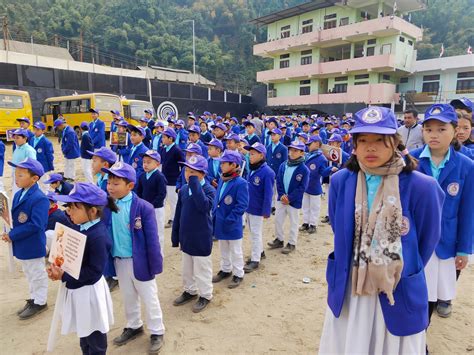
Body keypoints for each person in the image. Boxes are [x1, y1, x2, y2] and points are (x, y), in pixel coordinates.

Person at [318, 106, 445, 354]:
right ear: (354, 144)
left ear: (395, 142)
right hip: (351, 285)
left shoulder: (422, 186)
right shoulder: (341, 181)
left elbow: (427, 241)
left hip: (395, 287)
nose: (370, 147)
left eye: (379, 140)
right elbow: (339, 227)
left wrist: (389, 263)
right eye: (362, 140)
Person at [410, 104, 473, 323]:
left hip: (445, 243)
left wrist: (464, 248)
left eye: (441, 129)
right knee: (413, 293)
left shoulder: (466, 166)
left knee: (433, 295)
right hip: (414, 240)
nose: (434, 135)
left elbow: (467, 211)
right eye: (428, 129)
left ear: (455, 131)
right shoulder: (411, 161)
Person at [102, 162, 165, 353]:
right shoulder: (107, 205)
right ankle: (134, 324)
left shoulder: (143, 207)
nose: (110, 187)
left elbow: (152, 240)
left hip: (140, 261)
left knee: (149, 295)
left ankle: (157, 330)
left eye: (116, 183)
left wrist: (154, 264)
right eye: (109, 182)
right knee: (128, 295)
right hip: (119, 260)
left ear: (130, 185)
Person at [48, 183, 116, 355]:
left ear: (92, 211)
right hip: (78, 291)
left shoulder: (98, 237)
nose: (68, 212)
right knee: (84, 333)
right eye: (68, 207)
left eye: (73, 208)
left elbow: (93, 272)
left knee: (94, 335)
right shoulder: (78, 226)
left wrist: (64, 276)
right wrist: (57, 266)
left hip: (89, 294)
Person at [2, 158, 49, 319]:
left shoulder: (39, 198)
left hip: (33, 243)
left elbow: (37, 225)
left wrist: (13, 235)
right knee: (28, 272)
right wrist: (7, 227)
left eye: (21, 175)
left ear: (34, 178)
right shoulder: (17, 194)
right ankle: (34, 297)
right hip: (23, 242)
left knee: (37, 272)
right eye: (16, 174)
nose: (16, 178)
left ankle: (41, 301)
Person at [171, 155, 216, 313]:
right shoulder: (183, 190)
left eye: (193, 172)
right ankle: (190, 290)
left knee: (202, 268)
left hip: (201, 236)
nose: (188, 174)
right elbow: (178, 214)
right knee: (187, 267)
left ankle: (205, 294)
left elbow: (204, 206)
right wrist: (176, 236)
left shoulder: (209, 190)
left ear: (203, 174)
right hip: (187, 236)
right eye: (187, 170)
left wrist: (195, 184)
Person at [212, 150, 249, 289]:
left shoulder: (241, 183)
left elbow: (242, 205)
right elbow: (218, 197)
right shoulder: (222, 178)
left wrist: (230, 218)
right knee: (223, 248)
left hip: (232, 223)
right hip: (220, 220)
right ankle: (226, 269)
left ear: (234, 165)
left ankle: (238, 273)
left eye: (224, 163)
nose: (221, 165)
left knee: (236, 250)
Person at [268, 140, 309, 254]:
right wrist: (281, 195)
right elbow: (279, 181)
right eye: (291, 150)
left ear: (302, 153)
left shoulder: (304, 169)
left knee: (294, 222)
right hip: (281, 199)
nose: (291, 153)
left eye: (295, 151)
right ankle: (279, 239)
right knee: (278, 220)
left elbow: (302, 187)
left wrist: (290, 198)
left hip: (293, 201)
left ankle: (292, 243)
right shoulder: (283, 165)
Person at [243, 143, 274, 273]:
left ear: (261, 155)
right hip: (249, 205)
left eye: (253, 154)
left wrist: (266, 210)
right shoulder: (252, 168)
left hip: (258, 208)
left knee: (255, 233)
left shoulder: (267, 172)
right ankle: (260, 252)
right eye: (249, 154)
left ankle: (255, 260)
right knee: (252, 231)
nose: (250, 156)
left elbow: (268, 193)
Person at [136, 150, 167, 257]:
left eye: (149, 162)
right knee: (145, 230)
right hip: (144, 209)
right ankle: (148, 253)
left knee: (157, 232)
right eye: (144, 162)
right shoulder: (142, 176)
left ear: (157, 164)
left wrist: (151, 206)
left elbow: (162, 194)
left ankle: (159, 254)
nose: (145, 164)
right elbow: (138, 192)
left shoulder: (160, 177)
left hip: (156, 209)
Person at [300, 135, 328, 234]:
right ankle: (305, 222)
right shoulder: (306, 156)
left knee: (314, 207)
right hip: (305, 185)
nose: (308, 146)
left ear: (316, 143)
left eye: (310, 144)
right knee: (305, 206)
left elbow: (323, 173)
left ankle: (313, 224)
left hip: (315, 186)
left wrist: (330, 169)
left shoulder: (322, 158)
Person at [160, 127, 185, 228]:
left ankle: (173, 219)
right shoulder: (164, 149)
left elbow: (183, 165)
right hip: (164, 179)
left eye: (164, 137)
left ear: (171, 139)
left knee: (173, 201)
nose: (162, 139)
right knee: (163, 199)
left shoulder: (177, 150)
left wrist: (180, 178)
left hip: (173, 180)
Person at [11, 128, 37, 196]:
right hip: (16, 175)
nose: (15, 140)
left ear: (25, 138)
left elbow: (32, 165)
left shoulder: (29, 150)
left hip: (23, 177)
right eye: (14, 138)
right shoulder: (17, 148)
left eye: (17, 138)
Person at [31, 121, 54, 191]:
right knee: (35, 182)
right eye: (34, 129)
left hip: (43, 166)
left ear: (43, 131)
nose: (35, 131)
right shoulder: (32, 139)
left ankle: (45, 198)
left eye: (38, 130)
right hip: (33, 165)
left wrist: (50, 167)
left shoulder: (46, 142)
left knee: (44, 183)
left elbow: (49, 155)